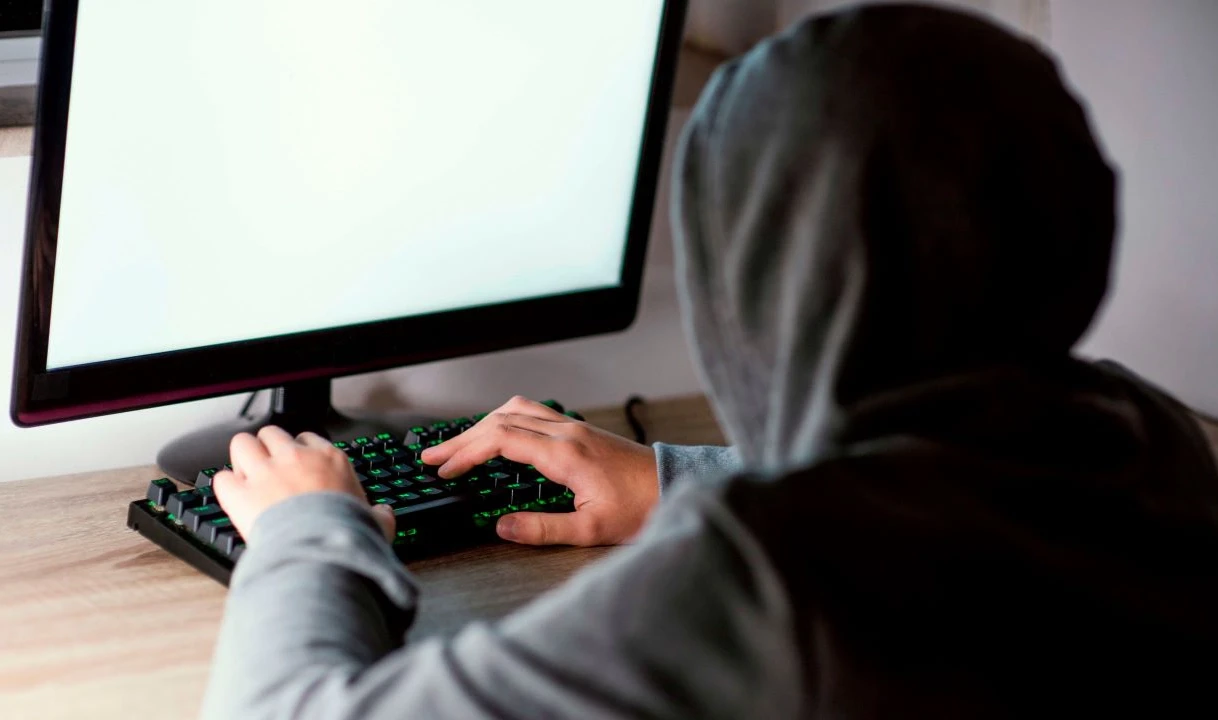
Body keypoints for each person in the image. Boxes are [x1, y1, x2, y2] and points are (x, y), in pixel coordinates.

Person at [202, 5, 1218, 719]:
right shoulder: (1153, 444)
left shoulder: (774, 583)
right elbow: (935, 474)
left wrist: (308, 531)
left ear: (752, 275)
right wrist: (675, 478)